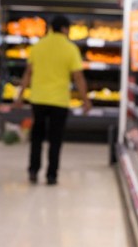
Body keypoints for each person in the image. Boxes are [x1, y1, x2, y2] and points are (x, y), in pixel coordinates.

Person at [13, 15, 90, 185]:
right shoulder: (70, 49)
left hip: (38, 99)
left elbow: (28, 74)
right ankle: (51, 175)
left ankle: (33, 171)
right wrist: (86, 100)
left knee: (37, 137)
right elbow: (78, 77)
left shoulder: (38, 46)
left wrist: (19, 97)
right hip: (59, 101)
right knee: (56, 139)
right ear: (64, 29)